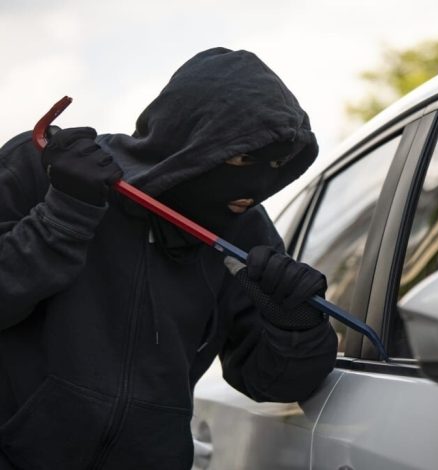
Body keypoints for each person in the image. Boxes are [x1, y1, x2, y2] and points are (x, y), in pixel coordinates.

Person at [0, 47, 337, 469]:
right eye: (242, 157)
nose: (257, 182)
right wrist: (66, 211)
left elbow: (273, 384)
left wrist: (296, 327)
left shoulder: (246, 232)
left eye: (277, 162)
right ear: (187, 137)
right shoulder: (47, 169)